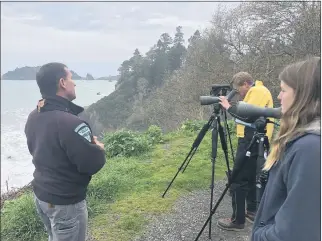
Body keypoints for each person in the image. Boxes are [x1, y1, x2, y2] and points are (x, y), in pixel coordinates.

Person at [24, 62, 107, 241]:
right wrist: (98, 149)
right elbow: (91, 164)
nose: (74, 83)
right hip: (65, 202)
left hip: (42, 195)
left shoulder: (34, 116)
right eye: (71, 78)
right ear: (62, 82)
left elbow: (35, 149)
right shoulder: (70, 123)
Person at [251, 57, 321, 241]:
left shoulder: (309, 149)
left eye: (283, 90)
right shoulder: (306, 144)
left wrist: (260, 235)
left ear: (303, 96)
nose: (279, 97)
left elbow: (294, 232)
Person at [217, 72, 274, 231]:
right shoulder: (258, 91)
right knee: (249, 178)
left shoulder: (257, 92)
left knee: (237, 180)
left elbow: (248, 116)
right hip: (255, 140)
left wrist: (228, 107)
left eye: (238, 89)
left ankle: (237, 220)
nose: (238, 93)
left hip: (252, 141)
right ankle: (251, 211)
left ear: (246, 84)